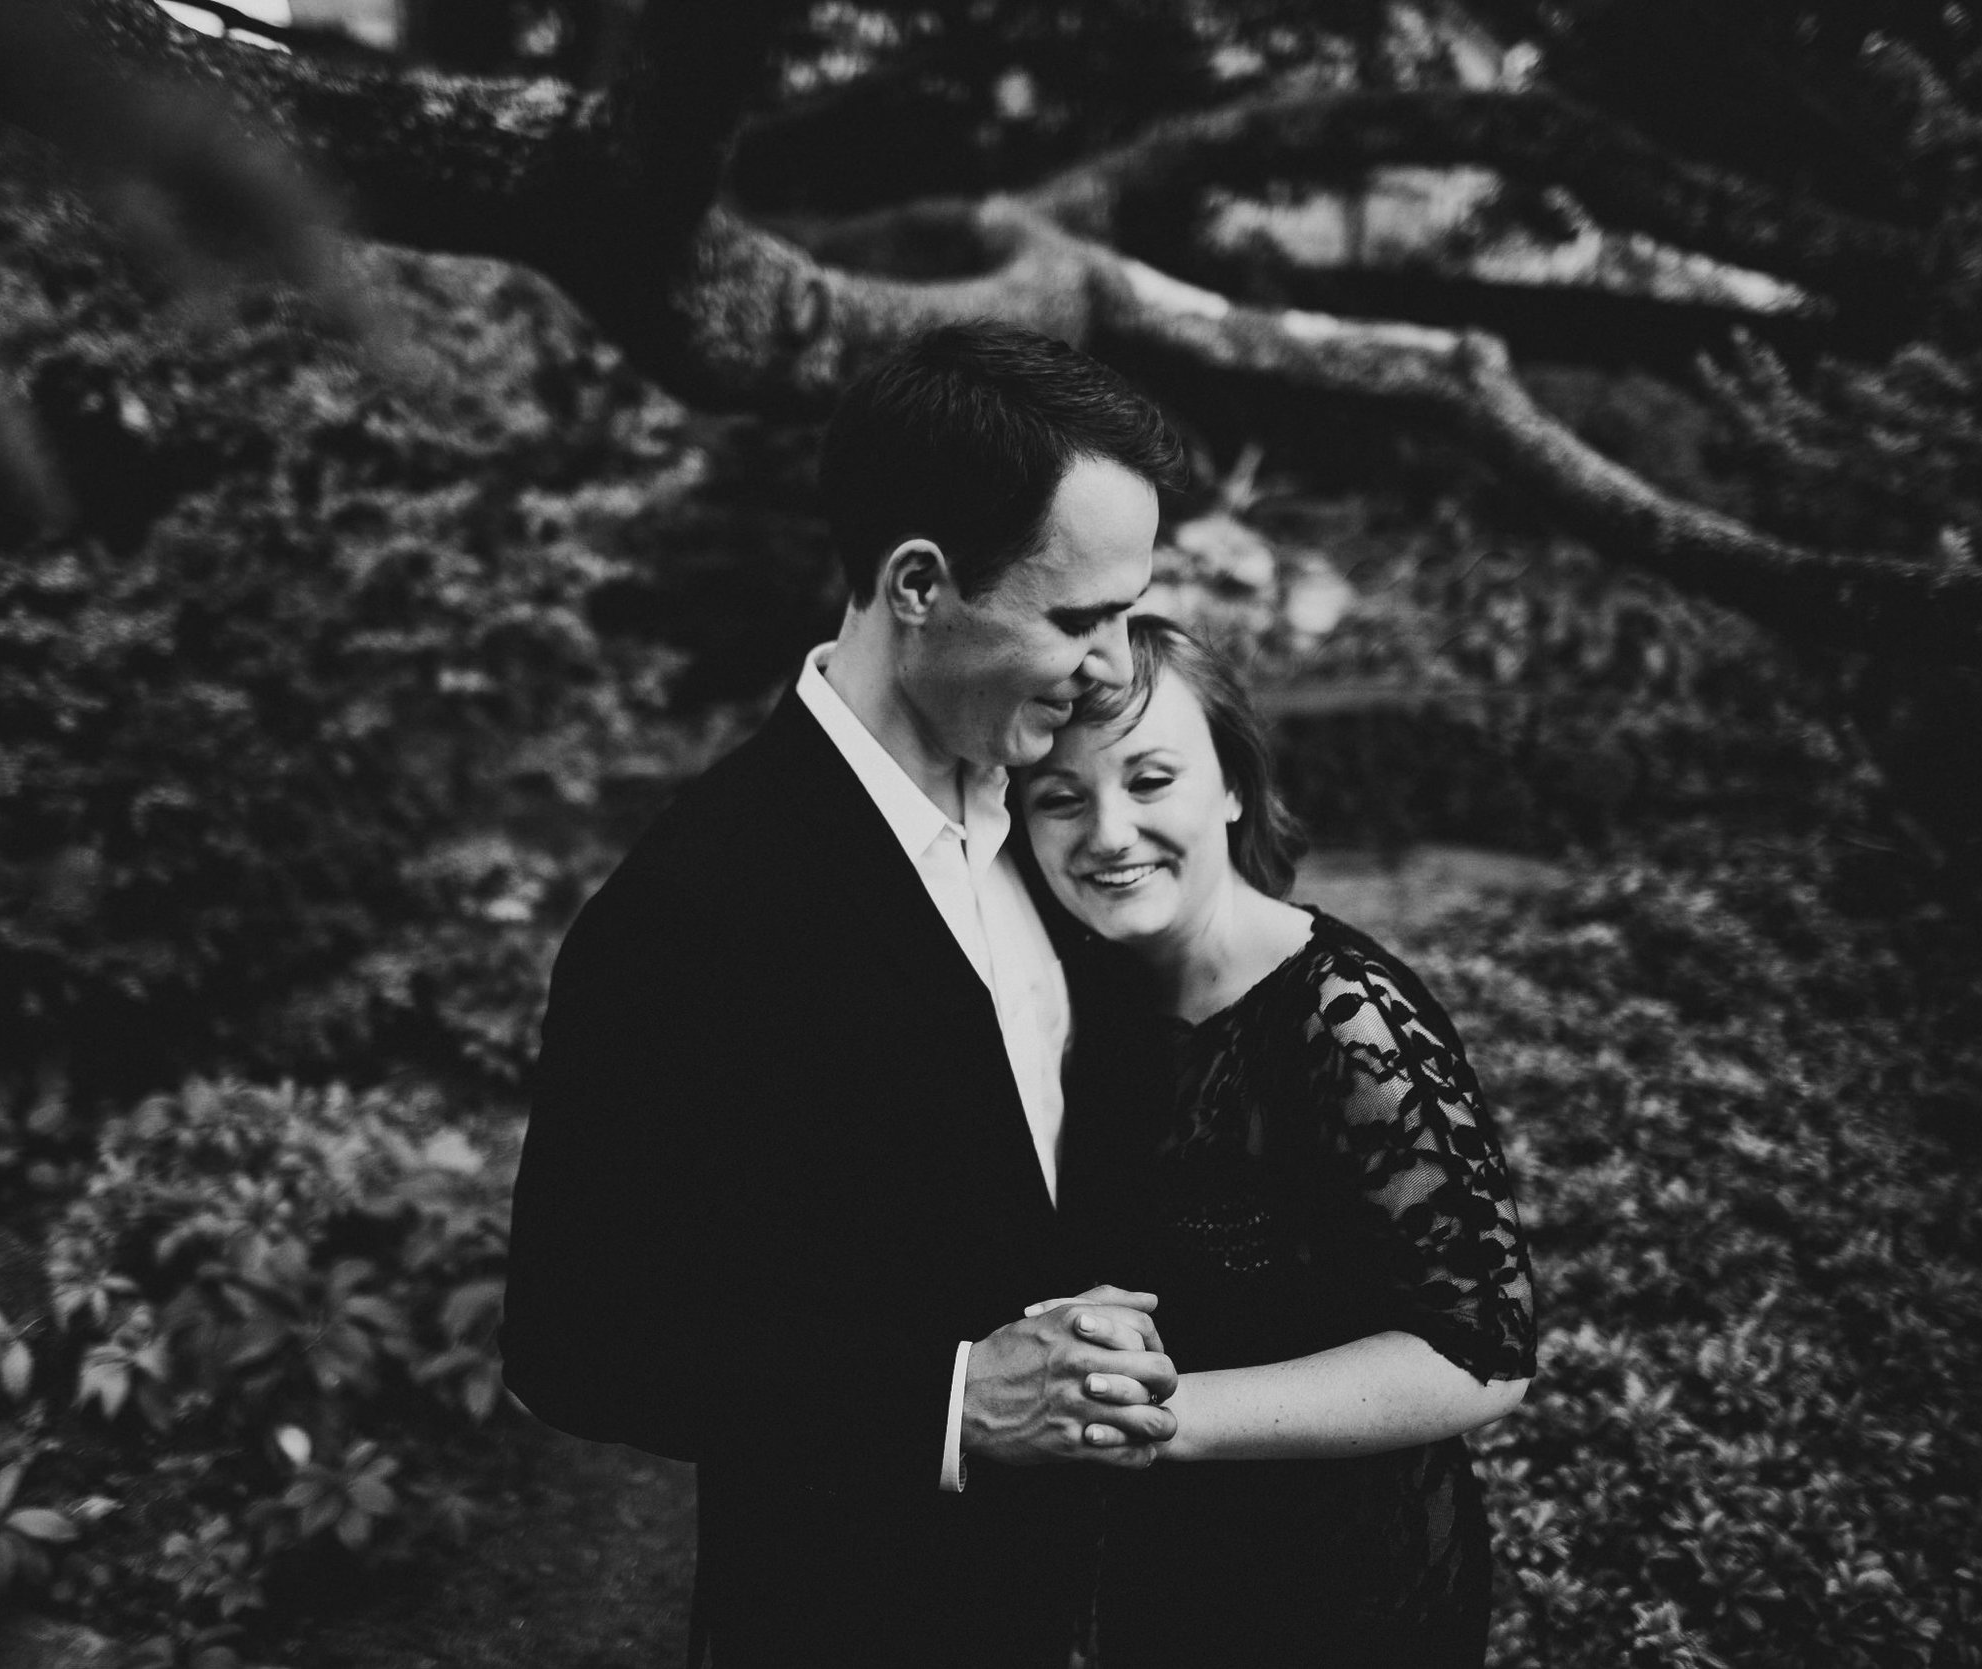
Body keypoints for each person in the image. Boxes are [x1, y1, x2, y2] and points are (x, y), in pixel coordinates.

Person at [502, 323, 1196, 1668]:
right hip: (853, 1616)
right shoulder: (694, 910)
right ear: (921, 583)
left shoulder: (1066, 824)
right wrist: (945, 1398)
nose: (1116, 667)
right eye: (1078, 618)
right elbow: (575, 1336)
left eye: (1128, 612)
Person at [1015, 613, 1539, 1667]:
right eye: (1060, 797)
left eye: (1151, 778)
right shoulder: (1088, 999)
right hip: (1173, 1567)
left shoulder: (1344, 1017)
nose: (1109, 830)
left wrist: (1171, 1418)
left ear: (1232, 787)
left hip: (1347, 1587)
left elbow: (1479, 1354)